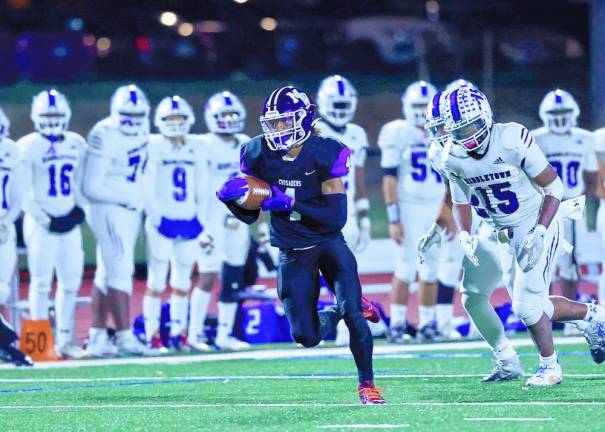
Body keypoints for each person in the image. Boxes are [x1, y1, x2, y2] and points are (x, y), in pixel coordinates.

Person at [216, 86, 384, 404]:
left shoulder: (327, 151)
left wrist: (287, 202)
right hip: (292, 252)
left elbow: (335, 217)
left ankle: (367, 385)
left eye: (284, 122)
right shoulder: (256, 152)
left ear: (304, 119)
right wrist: (233, 202)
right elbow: (251, 217)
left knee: (354, 316)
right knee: (306, 336)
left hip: (328, 241)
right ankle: (345, 307)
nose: (277, 129)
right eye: (273, 123)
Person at [444, 85, 605, 386]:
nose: (468, 136)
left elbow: (554, 187)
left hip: (536, 220)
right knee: (534, 303)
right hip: (499, 230)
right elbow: (460, 201)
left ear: (486, 116)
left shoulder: (510, 138)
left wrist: (542, 229)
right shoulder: (450, 155)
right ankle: (594, 316)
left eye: (473, 126)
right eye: (460, 130)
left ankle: (551, 367)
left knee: (525, 306)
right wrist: (465, 232)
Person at [419, 90, 523, 381]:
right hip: (483, 223)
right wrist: (439, 227)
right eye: (436, 128)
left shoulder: (491, 143)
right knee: (473, 296)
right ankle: (507, 359)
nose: (443, 133)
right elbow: (454, 193)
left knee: (526, 303)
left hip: (513, 220)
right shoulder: (440, 154)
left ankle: (590, 319)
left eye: (446, 125)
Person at [83, 84, 154, 357]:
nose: (133, 121)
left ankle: (97, 337)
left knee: (105, 273)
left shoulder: (143, 128)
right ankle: (124, 337)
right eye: (127, 114)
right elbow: (91, 186)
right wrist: (127, 196)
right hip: (108, 208)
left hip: (128, 209)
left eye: (138, 115)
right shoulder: (104, 133)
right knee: (120, 271)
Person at [18, 90, 87, 359]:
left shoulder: (76, 143)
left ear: (66, 115)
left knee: (71, 282)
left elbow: (80, 183)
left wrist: (80, 210)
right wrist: (44, 218)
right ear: (36, 116)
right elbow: (23, 192)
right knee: (41, 282)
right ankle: (40, 345)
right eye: (47, 114)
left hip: (69, 219)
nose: (52, 119)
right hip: (40, 223)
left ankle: (66, 340)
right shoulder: (27, 145)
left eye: (56, 114)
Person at [378, 80, 448, 342]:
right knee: (406, 267)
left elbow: (451, 176)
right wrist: (394, 218)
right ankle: (396, 323)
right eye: (416, 105)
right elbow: (389, 178)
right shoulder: (397, 132)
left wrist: (447, 209)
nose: (420, 111)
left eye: (424, 105)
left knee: (431, 268)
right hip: (409, 207)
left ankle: (427, 324)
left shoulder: (444, 131)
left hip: (435, 207)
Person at [142, 95, 210, 351]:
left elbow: (202, 186)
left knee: (182, 281)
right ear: (160, 121)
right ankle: (153, 335)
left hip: (188, 219)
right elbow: (147, 186)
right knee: (156, 280)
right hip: (162, 222)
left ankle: (179, 333)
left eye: (179, 118)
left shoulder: (197, 146)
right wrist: (157, 218)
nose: (175, 122)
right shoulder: (153, 145)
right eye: (169, 118)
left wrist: (200, 220)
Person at [189, 91, 252, 351]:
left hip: (239, 216)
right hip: (211, 216)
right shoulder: (202, 144)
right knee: (207, 273)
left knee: (234, 275)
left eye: (233, 114)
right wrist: (198, 223)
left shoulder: (247, 143)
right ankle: (193, 334)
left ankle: (224, 334)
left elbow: (255, 184)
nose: (229, 119)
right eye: (223, 115)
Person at [533, 89, 598, 336]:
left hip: (570, 206)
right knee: (540, 263)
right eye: (554, 113)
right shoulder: (535, 138)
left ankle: (570, 321)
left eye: (564, 112)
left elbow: (590, 178)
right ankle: (543, 316)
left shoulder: (584, 138)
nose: (559, 117)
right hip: (542, 205)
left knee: (569, 265)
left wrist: (586, 205)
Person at [316, 74, 371, 346]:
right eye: (334, 104)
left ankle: (343, 327)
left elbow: (358, 177)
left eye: (343, 104)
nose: (339, 110)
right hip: (317, 212)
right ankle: (310, 325)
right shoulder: (313, 131)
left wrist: (364, 215)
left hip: (345, 212)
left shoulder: (357, 134)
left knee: (346, 272)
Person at [0, 107, 32, 366]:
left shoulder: (12, 150)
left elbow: (18, 195)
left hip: (3, 227)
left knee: (2, 290)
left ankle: (4, 341)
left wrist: (7, 221)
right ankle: (6, 342)